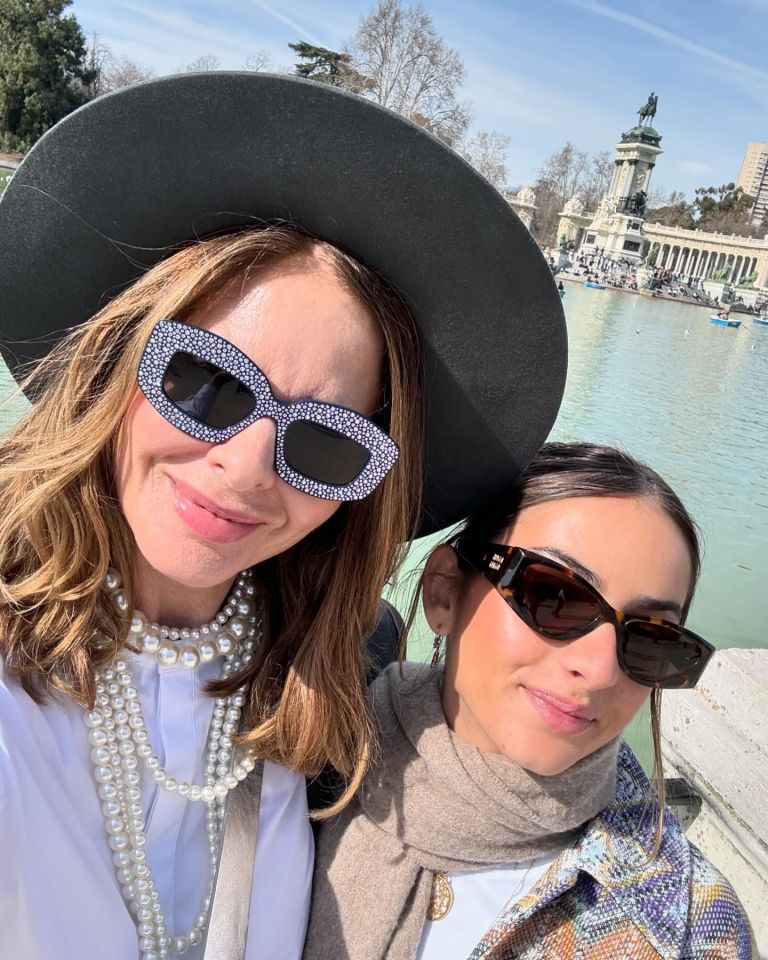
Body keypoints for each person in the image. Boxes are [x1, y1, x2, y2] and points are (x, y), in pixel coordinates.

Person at [0, 74, 566, 960]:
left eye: (328, 442)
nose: (247, 465)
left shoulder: (326, 680)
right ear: (115, 358)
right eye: (207, 382)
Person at [305, 442, 755, 960]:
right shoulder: (305, 745)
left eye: (651, 639)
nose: (600, 668)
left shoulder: (689, 931)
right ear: (444, 593)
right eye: (553, 597)